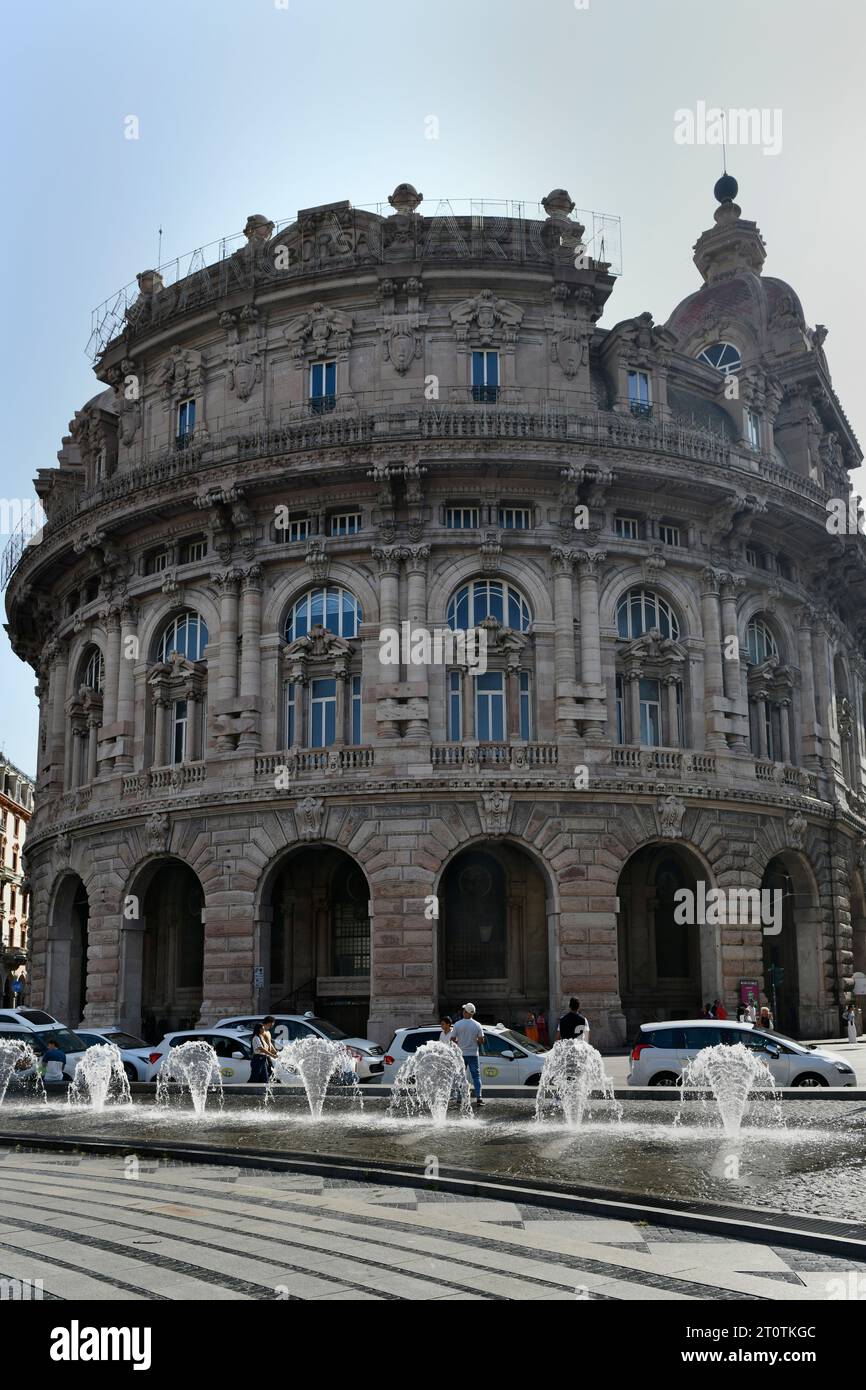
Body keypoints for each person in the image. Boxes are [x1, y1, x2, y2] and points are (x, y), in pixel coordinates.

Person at [451, 1003, 485, 1105]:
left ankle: (460, 1098)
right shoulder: (477, 1025)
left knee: (461, 1076)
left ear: (465, 1012)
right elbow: (481, 1040)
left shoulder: (457, 1024)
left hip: (461, 1054)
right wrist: (475, 1040)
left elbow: (452, 1039)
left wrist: (458, 1043)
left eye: (463, 1010)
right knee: (476, 1077)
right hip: (474, 1054)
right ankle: (479, 1098)